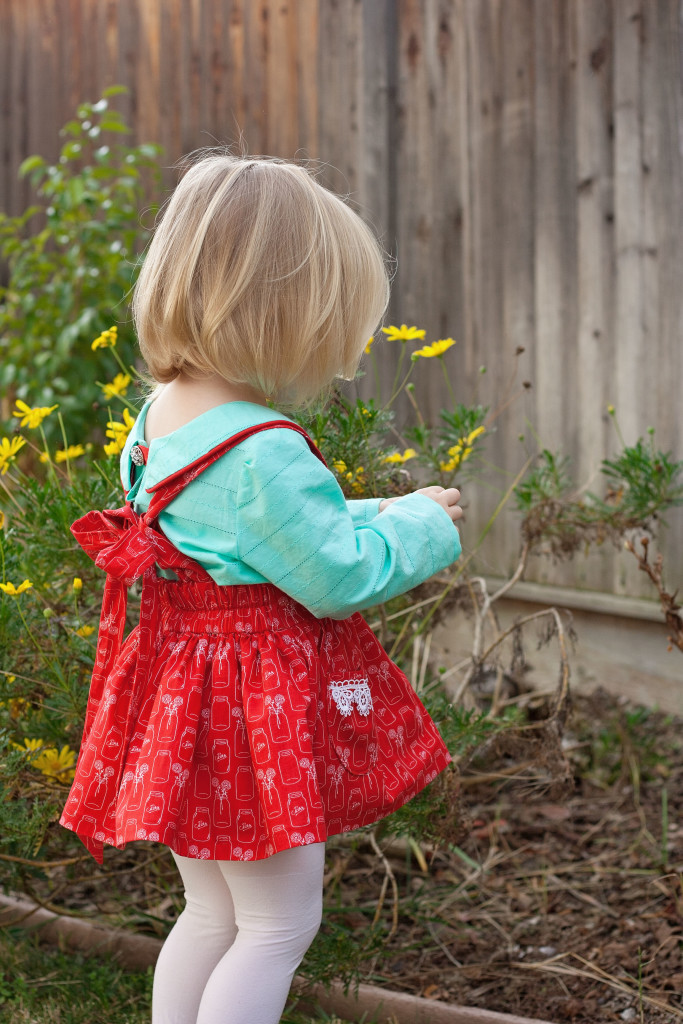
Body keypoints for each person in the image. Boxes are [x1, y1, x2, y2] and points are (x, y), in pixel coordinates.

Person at [60, 153, 463, 1024]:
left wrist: (382, 502)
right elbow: (332, 573)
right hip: (251, 715)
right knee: (279, 925)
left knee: (211, 912)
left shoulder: (161, 417)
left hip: (182, 695)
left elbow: (253, 532)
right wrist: (422, 523)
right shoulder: (261, 446)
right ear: (282, 314)